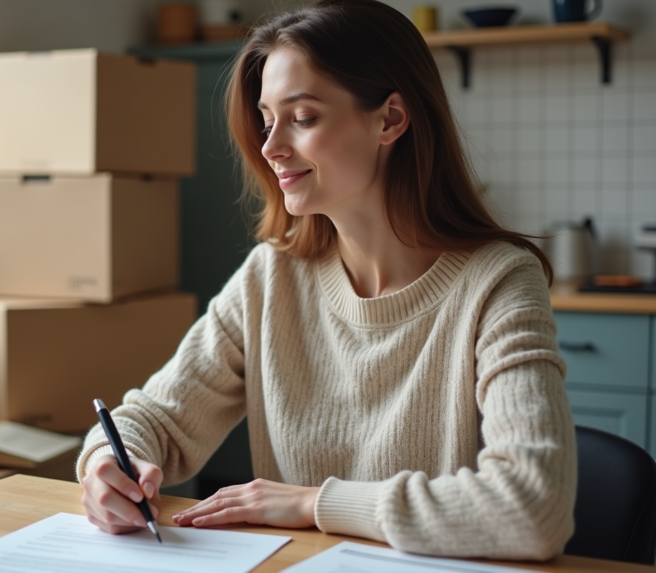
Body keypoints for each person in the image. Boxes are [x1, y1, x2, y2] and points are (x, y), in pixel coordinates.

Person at [77, 0, 575, 560]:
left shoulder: (499, 282)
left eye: (303, 117)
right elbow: (155, 421)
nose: (270, 147)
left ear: (390, 119)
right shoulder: (272, 276)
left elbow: (535, 508)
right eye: (267, 122)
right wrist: (106, 465)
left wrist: (314, 504)